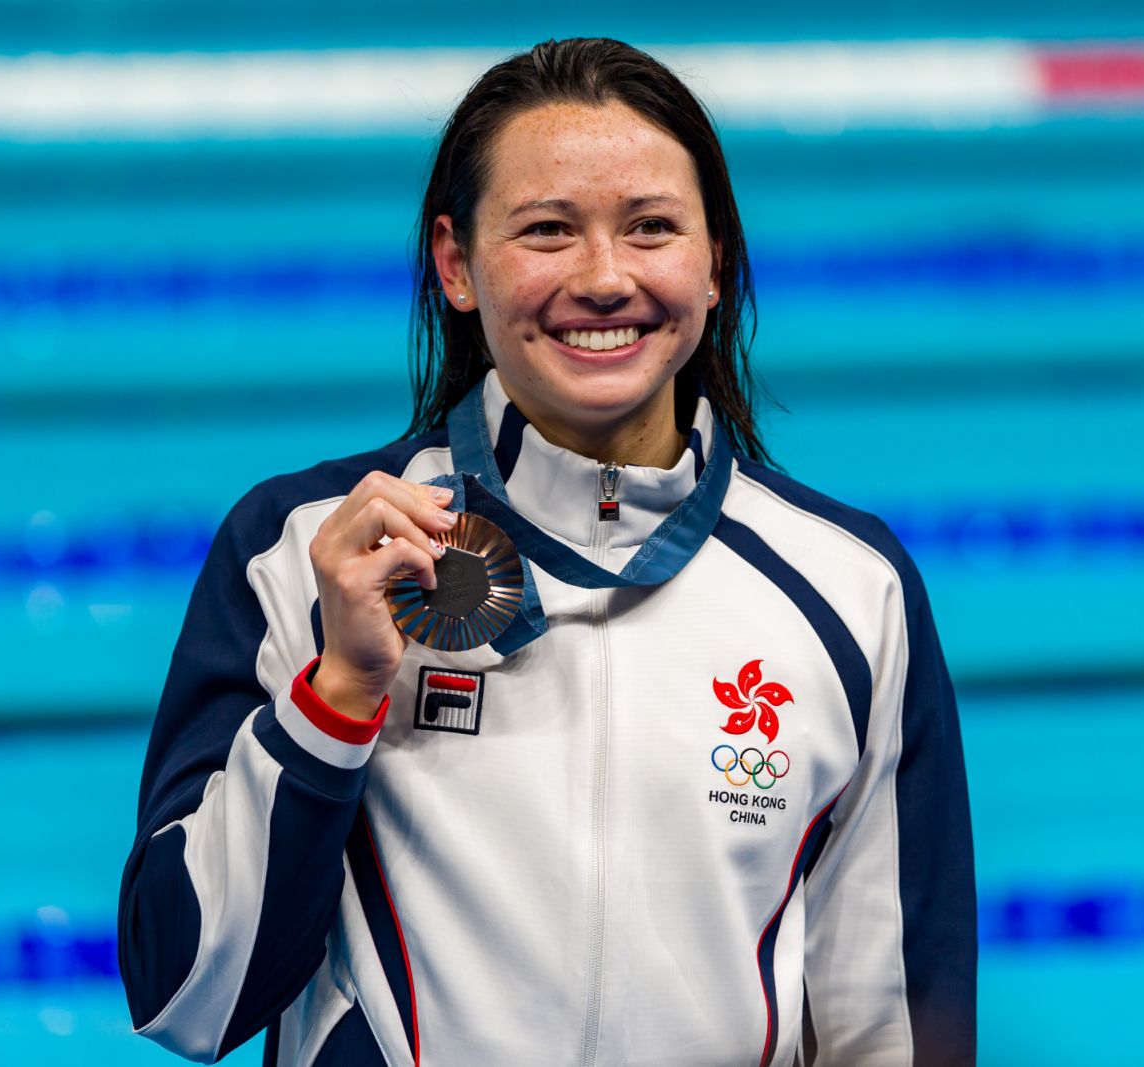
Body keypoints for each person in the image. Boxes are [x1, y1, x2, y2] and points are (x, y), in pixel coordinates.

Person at [118, 37, 975, 1067]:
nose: (604, 279)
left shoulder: (848, 588)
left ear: (715, 266)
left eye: (651, 228)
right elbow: (184, 994)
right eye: (547, 232)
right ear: (456, 265)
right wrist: (338, 693)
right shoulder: (303, 547)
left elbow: (892, 1020)